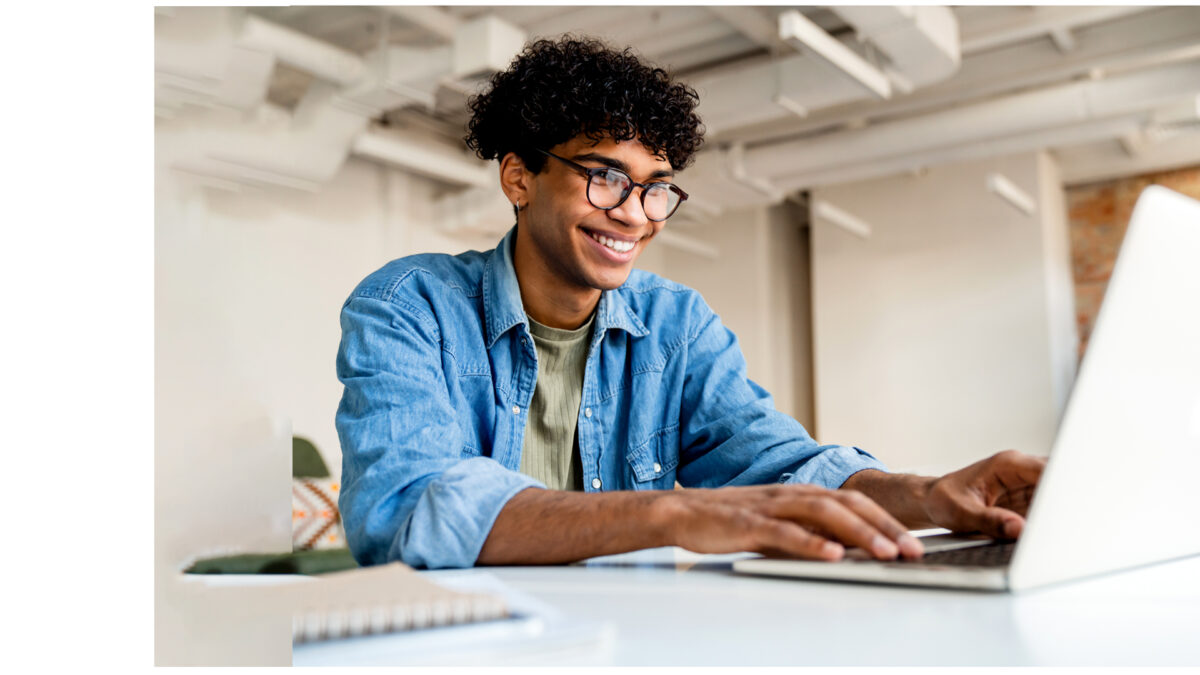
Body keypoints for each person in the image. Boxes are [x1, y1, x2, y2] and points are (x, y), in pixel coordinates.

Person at [335, 37, 1045, 570]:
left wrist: (930, 494)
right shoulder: (409, 306)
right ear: (519, 177)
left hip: (630, 637)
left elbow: (781, 466)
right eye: (605, 176)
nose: (635, 214)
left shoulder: (676, 324)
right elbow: (408, 509)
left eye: (655, 187)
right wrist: (676, 511)